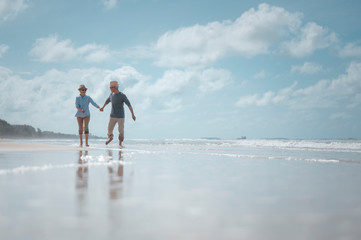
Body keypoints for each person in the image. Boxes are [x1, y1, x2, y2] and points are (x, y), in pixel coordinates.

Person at [100, 81, 136, 146]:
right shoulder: (111, 95)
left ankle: (120, 143)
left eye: (111, 87)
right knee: (109, 129)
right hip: (112, 116)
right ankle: (110, 138)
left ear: (115, 87)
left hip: (120, 117)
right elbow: (107, 101)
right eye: (110, 87)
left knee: (121, 130)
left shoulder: (122, 95)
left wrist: (132, 114)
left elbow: (129, 105)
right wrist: (102, 107)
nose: (110, 89)